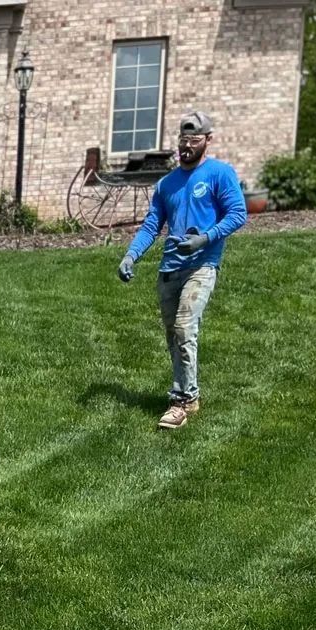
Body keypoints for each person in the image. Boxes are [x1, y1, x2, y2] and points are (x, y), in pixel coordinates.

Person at [117, 112, 247, 430]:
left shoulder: (219, 174)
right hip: (169, 268)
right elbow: (152, 225)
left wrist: (205, 238)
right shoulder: (167, 184)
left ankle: (182, 400)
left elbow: (238, 213)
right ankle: (189, 395)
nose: (187, 146)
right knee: (174, 336)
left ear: (208, 140)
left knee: (185, 328)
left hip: (201, 265)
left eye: (194, 140)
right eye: (183, 140)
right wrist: (131, 255)